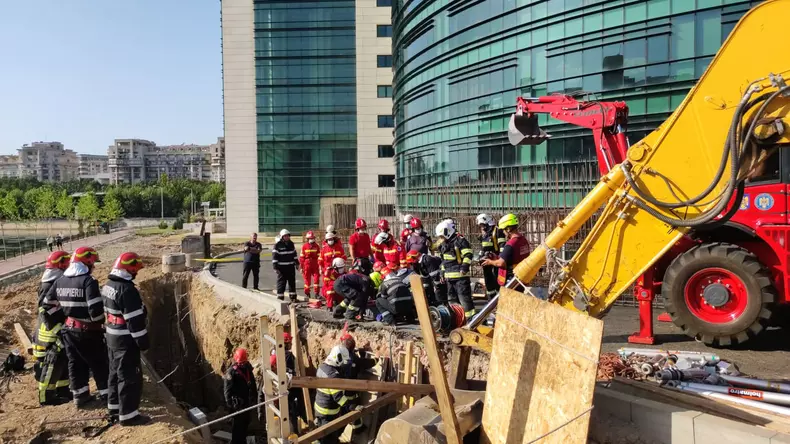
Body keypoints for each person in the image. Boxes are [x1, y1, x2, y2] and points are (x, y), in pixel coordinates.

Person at [41, 246, 108, 408]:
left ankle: (80, 397)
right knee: (99, 363)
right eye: (93, 264)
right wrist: (101, 324)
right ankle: (108, 396)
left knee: (75, 363)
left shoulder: (60, 280)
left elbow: (47, 306)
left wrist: (66, 314)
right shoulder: (88, 281)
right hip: (89, 331)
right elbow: (96, 312)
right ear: (87, 263)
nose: (94, 267)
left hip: (69, 330)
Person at [102, 252, 151, 426]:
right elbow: (135, 322)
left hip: (111, 337)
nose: (136, 273)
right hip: (124, 340)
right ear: (129, 269)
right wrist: (143, 342)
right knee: (129, 378)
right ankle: (129, 416)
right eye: (135, 270)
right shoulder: (127, 290)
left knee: (114, 374)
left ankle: (114, 408)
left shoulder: (109, 285)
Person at [33, 251, 71, 406]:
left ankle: (62, 390)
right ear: (60, 264)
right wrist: (58, 331)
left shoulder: (55, 280)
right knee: (52, 363)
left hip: (56, 328)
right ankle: (46, 397)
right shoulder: (50, 284)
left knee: (62, 361)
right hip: (50, 333)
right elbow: (45, 310)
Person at [314, 345, 354, 444]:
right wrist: (352, 406)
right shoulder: (333, 376)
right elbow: (339, 398)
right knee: (329, 440)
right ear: (338, 358)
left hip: (319, 409)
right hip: (328, 414)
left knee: (319, 436)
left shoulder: (322, 367)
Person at [436, 219, 475, 318]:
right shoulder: (444, 245)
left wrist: (464, 267)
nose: (441, 238)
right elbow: (443, 261)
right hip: (449, 279)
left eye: (442, 236)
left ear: (447, 232)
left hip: (461, 278)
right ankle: (457, 321)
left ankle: (471, 322)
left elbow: (468, 254)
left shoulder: (460, 241)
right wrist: (442, 273)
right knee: (452, 302)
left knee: (465, 301)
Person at [481, 214, 531, 290]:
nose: (503, 233)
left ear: (508, 229)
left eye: (503, 230)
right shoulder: (523, 240)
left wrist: (490, 262)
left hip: (511, 279)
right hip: (522, 277)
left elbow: (501, 263)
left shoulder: (511, 244)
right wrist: (496, 257)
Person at [339, 333, 376, 432]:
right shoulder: (353, 358)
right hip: (350, 390)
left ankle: (357, 427)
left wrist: (361, 351)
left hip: (341, 389)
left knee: (347, 410)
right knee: (352, 408)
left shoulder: (338, 354)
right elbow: (364, 364)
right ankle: (357, 429)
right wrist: (376, 360)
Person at [224, 348, 257, 444]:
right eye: (241, 363)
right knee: (237, 428)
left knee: (245, 424)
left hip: (247, 403)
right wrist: (230, 406)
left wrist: (253, 398)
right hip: (237, 406)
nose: (242, 364)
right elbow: (227, 391)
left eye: (243, 362)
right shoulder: (231, 372)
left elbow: (253, 384)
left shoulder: (248, 368)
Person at [476, 213, 507, 300]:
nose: (481, 227)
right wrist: (480, 257)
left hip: (496, 260)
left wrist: (500, 258)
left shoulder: (497, 231)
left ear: (487, 222)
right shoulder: (485, 234)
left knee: (498, 280)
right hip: (487, 260)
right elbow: (483, 247)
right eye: (480, 225)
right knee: (488, 279)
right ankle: (491, 299)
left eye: (482, 225)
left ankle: (500, 298)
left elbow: (502, 246)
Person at [272, 229, 298, 302]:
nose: (287, 237)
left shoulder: (291, 244)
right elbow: (274, 257)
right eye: (285, 236)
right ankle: (280, 298)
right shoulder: (277, 245)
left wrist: (297, 264)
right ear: (282, 237)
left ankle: (293, 297)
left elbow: (294, 255)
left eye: (287, 236)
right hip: (282, 268)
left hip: (290, 267)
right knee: (281, 283)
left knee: (292, 282)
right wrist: (275, 267)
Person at [299, 231, 321, 298]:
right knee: (307, 280)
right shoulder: (304, 246)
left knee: (316, 279)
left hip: (315, 264)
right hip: (307, 264)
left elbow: (319, 257)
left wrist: (320, 266)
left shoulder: (317, 246)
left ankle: (316, 293)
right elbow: (302, 258)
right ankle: (307, 292)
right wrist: (301, 267)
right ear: (307, 239)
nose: (312, 239)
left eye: (312, 238)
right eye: (310, 238)